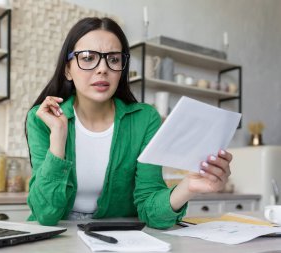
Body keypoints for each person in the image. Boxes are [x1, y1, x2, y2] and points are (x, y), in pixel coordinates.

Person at [25, 17, 232, 229]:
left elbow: (151, 213)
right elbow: (45, 214)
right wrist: (58, 136)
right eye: (88, 58)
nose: (102, 68)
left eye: (113, 59)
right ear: (67, 69)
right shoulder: (42, 118)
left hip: (120, 240)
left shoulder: (144, 120)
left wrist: (189, 187)